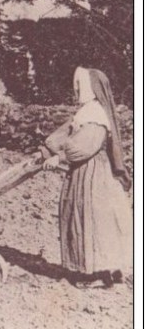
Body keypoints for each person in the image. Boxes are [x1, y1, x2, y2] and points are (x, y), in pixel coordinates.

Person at [40, 67, 132, 289]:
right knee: (82, 217)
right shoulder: (85, 112)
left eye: (80, 84)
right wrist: (45, 150)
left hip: (94, 174)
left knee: (92, 219)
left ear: (93, 88)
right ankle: (93, 270)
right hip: (82, 172)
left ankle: (99, 274)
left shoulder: (96, 115)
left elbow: (85, 145)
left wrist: (60, 157)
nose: (76, 88)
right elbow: (65, 134)